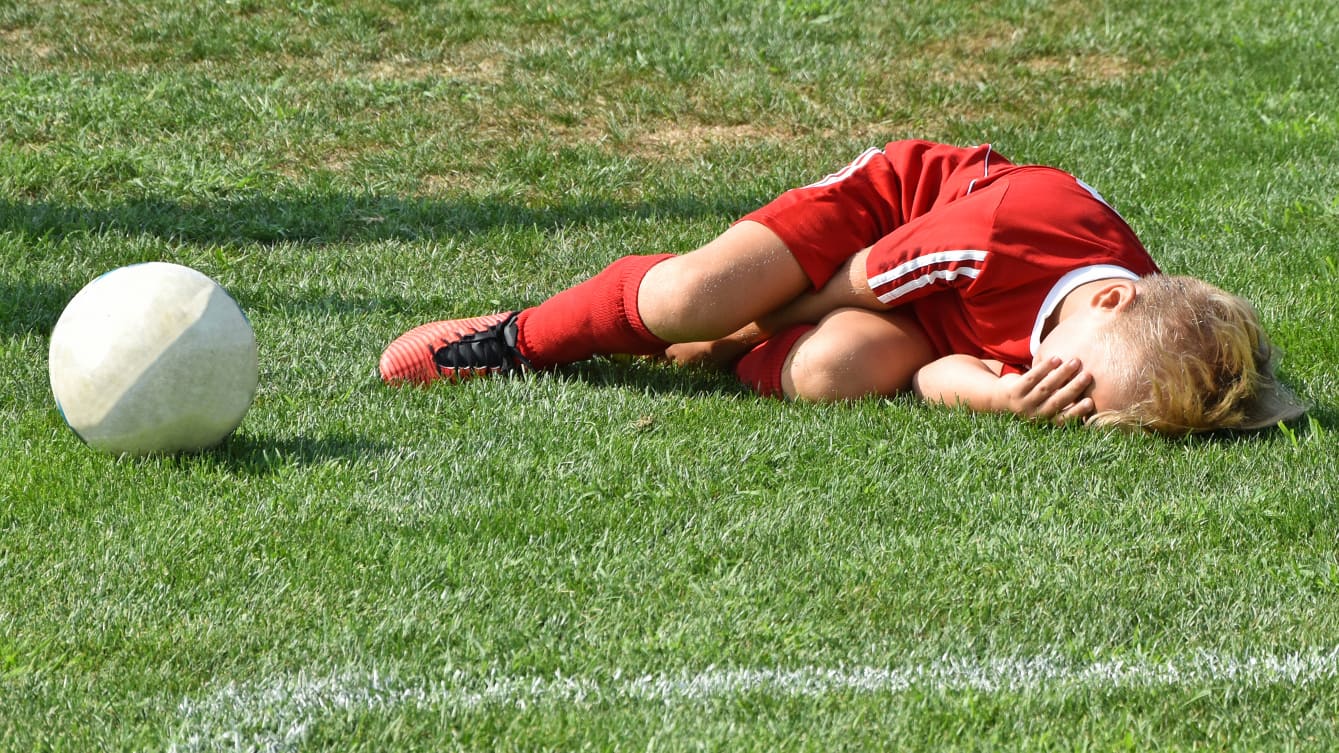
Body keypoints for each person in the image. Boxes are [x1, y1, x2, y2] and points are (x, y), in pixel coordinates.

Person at [379, 139, 1304, 434]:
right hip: (879, 225)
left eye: (1075, 405)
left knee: (836, 372)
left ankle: (719, 351)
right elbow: (849, 284)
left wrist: (999, 391)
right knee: (693, 297)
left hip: (926, 308)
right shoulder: (994, 240)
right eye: (1064, 381)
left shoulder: (1094, 336)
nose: (1055, 387)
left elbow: (944, 371)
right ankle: (518, 335)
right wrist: (732, 328)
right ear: (1109, 298)